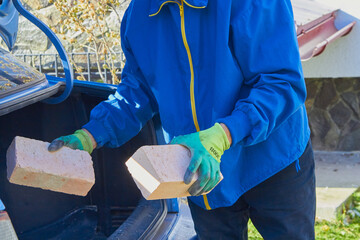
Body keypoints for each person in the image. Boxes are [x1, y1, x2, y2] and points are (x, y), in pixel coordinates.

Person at [48, 0, 316, 239]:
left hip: (271, 160)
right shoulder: (139, 14)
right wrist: (91, 135)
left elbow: (281, 83)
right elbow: (137, 91)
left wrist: (224, 134)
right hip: (200, 171)